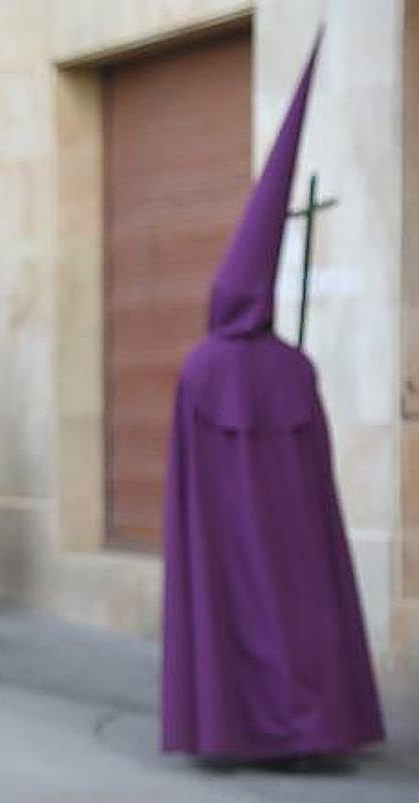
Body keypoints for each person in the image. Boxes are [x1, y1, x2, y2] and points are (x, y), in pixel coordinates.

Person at [160, 39, 383, 766]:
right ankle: (313, 726)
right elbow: (315, 482)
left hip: (224, 537)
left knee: (234, 606)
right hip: (293, 539)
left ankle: (241, 726)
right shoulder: (296, 369)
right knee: (300, 604)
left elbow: (188, 487)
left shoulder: (198, 369)